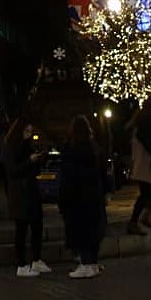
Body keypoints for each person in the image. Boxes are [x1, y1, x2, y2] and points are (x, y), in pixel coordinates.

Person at [58, 114, 107, 279]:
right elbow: (103, 173)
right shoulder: (94, 149)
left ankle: (86, 263)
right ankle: (92, 263)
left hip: (78, 198)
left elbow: (68, 178)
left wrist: (63, 198)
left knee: (81, 231)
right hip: (94, 196)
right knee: (93, 231)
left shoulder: (72, 152)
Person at [5, 116, 51, 277]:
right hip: (20, 192)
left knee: (37, 226)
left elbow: (32, 169)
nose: (29, 134)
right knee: (22, 229)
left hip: (30, 189)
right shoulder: (11, 147)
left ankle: (36, 259)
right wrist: (29, 162)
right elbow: (12, 170)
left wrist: (38, 160)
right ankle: (21, 263)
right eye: (27, 131)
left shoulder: (27, 145)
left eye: (31, 131)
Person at [125, 94, 151, 234]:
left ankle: (140, 219)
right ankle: (137, 220)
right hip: (148, 160)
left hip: (145, 159)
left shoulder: (143, 117)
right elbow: (150, 139)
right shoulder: (149, 119)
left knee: (148, 191)